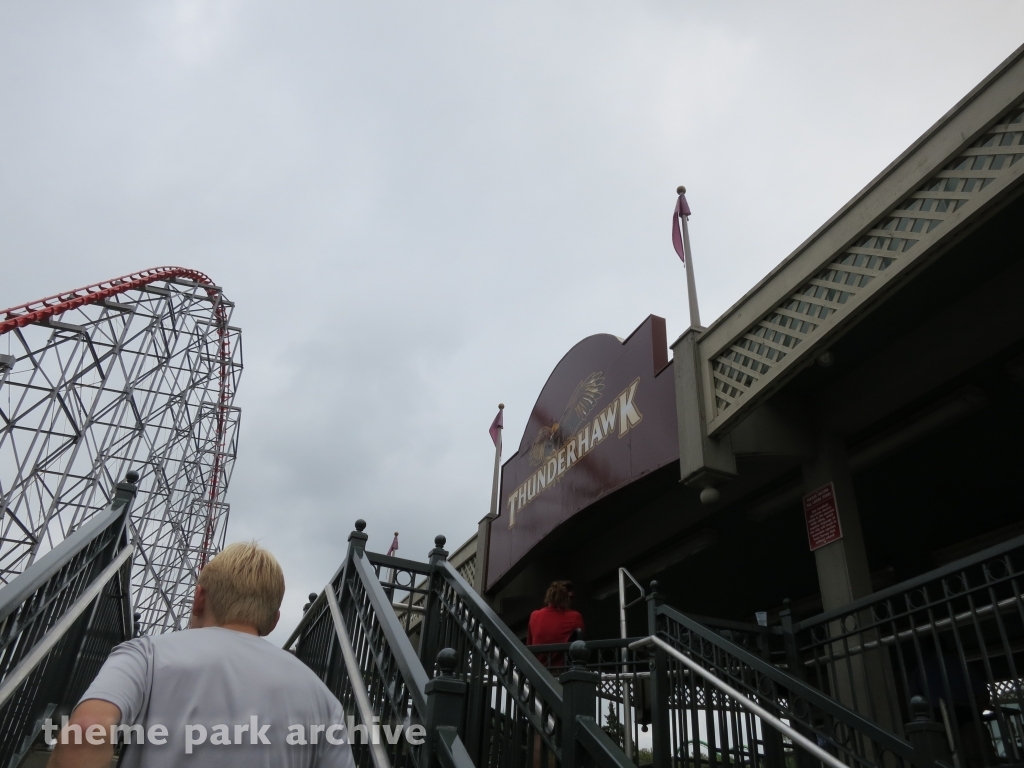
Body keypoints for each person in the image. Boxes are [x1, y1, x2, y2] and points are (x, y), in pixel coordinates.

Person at [47, 542, 355, 768]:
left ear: (199, 598)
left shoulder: (146, 654)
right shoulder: (323, 699)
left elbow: (87, 731)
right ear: (273, 622)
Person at [526, 580, 584, 667]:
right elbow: (581, 647)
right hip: (562, 671)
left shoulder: (534, 615)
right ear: (567, 599)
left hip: (538, 671)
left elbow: (529, 645)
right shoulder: (575, 616)